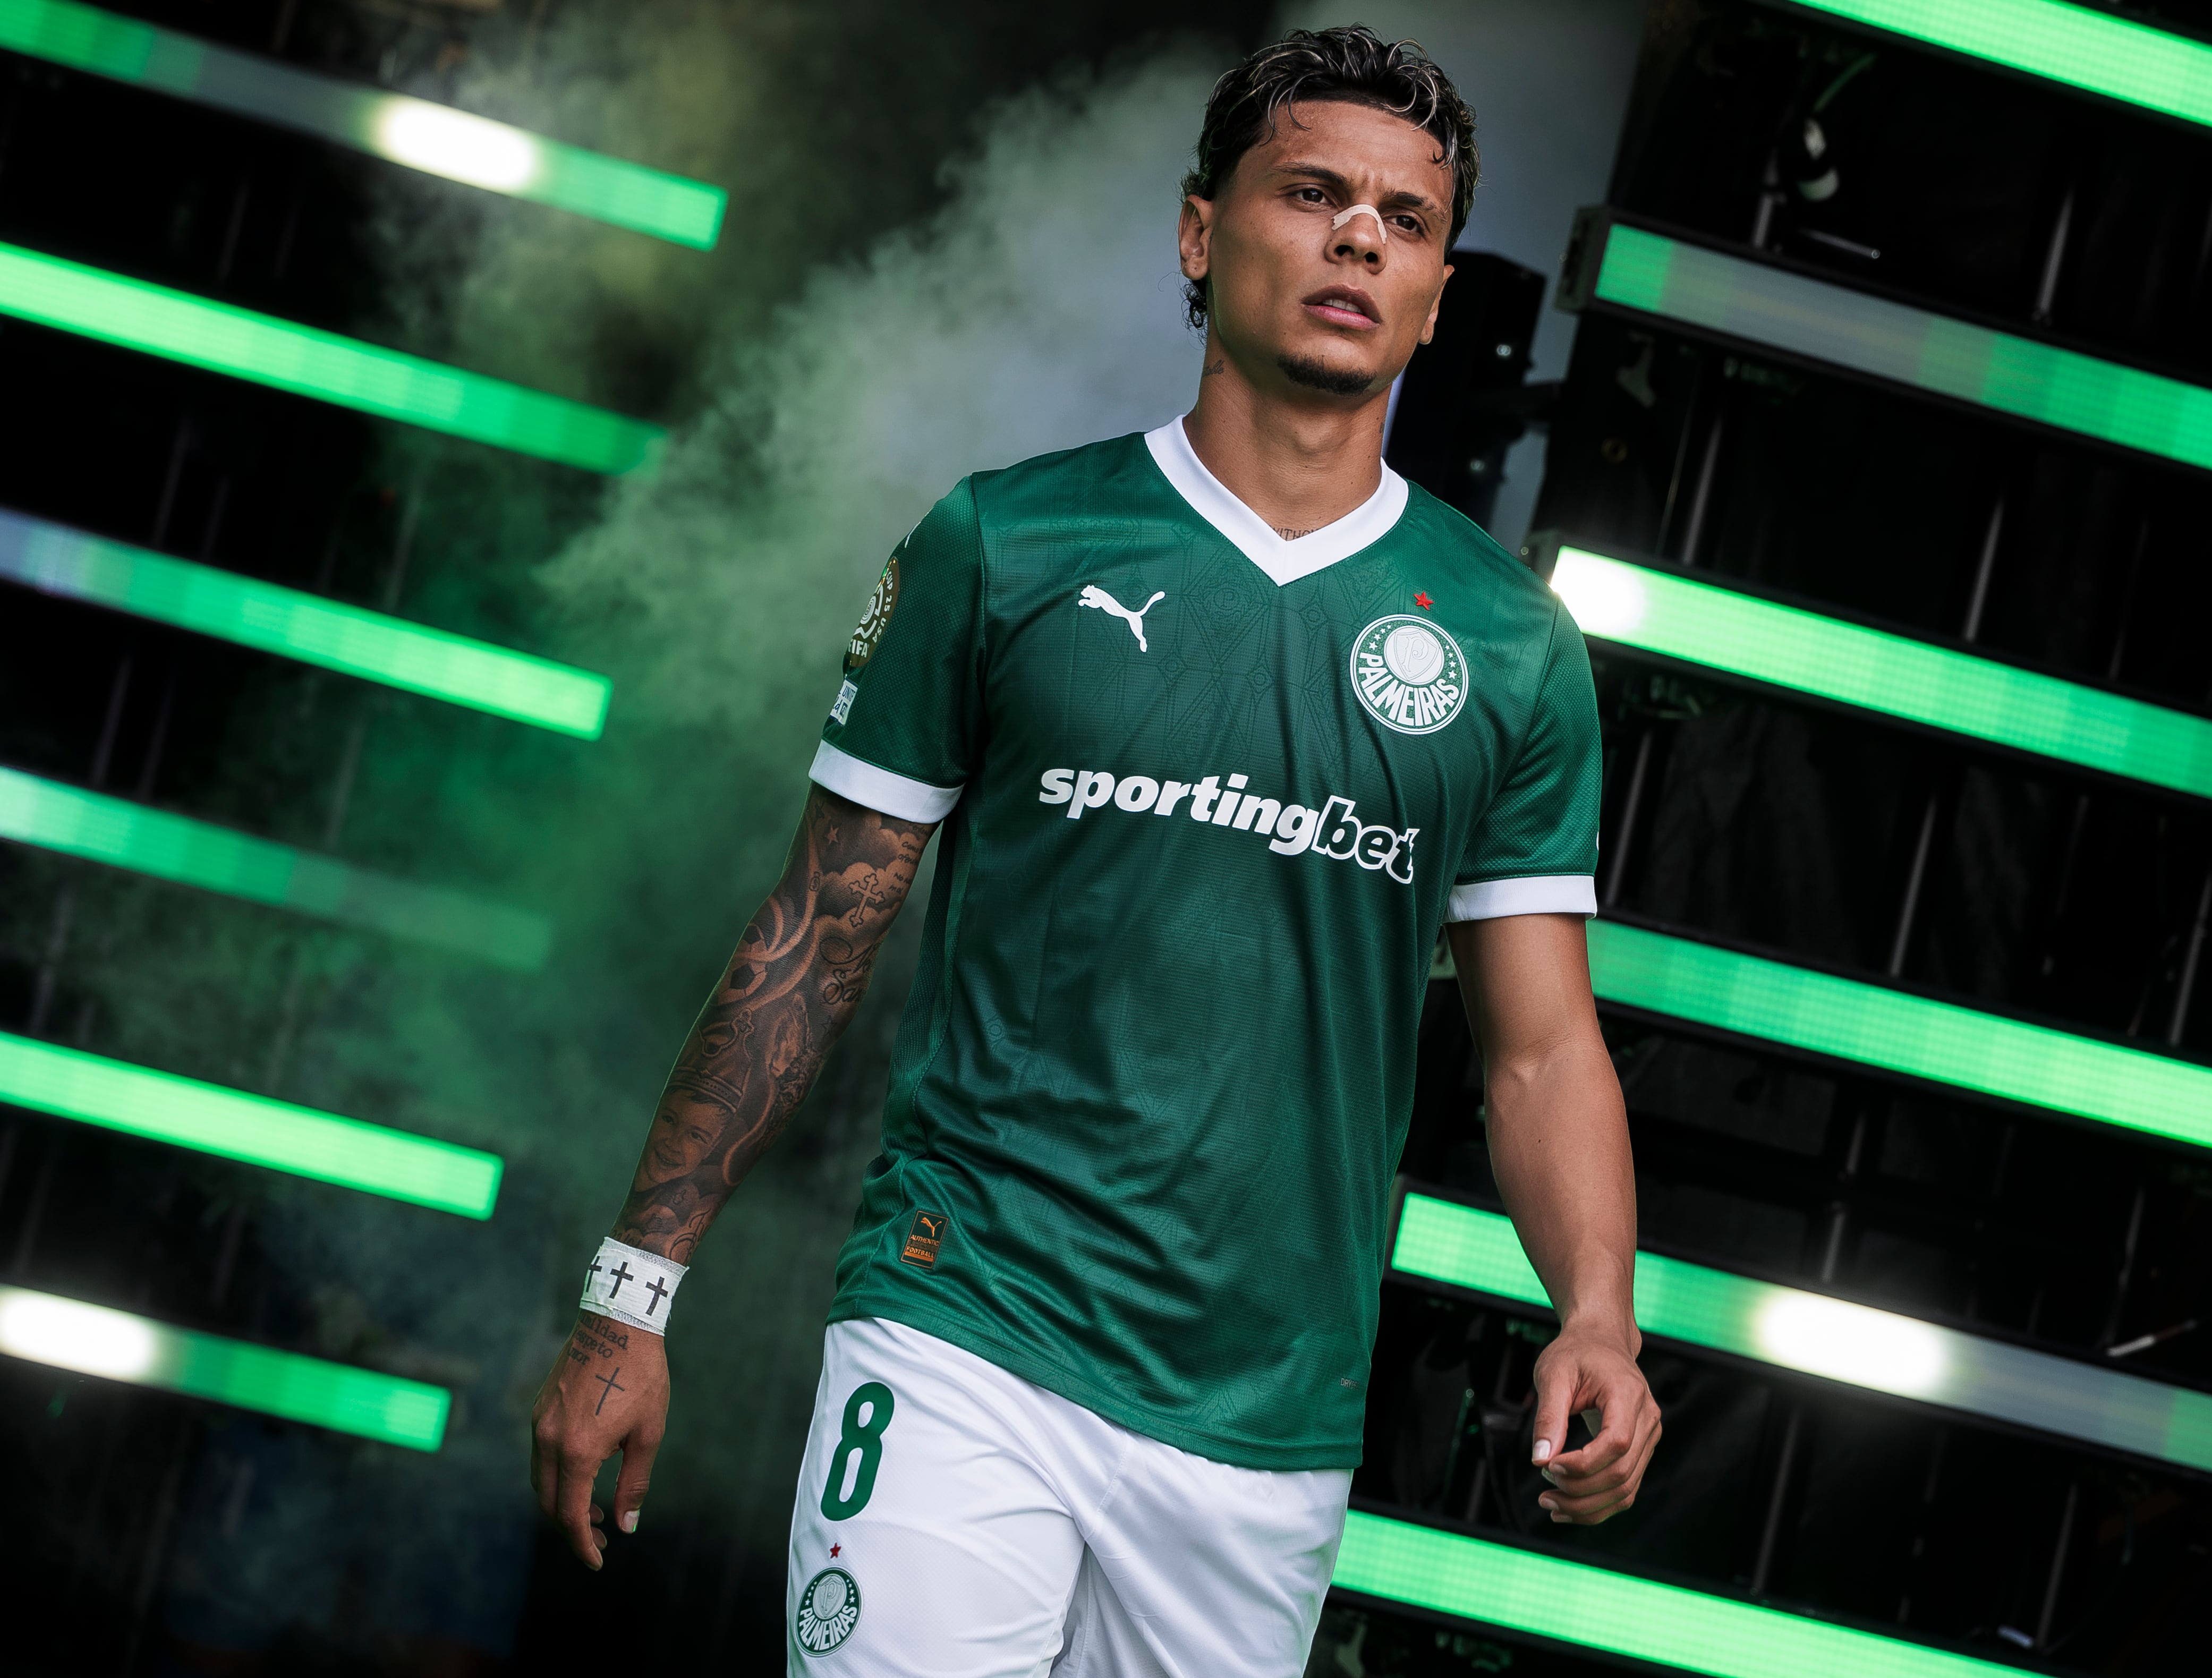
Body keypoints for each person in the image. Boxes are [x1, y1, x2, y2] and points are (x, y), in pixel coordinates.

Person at [530, 25, 1661, 1676]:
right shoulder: (1007, 544)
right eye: (1311, 193)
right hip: (965, 1330)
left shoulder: (1506, 645)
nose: (1357, 237)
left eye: (1404, 221)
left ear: (1432, 290)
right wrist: (631, 1294)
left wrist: (1600, 1318)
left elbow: (1541, 1050)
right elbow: (812, 938)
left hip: (1262, 1428)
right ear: (1202, 237)